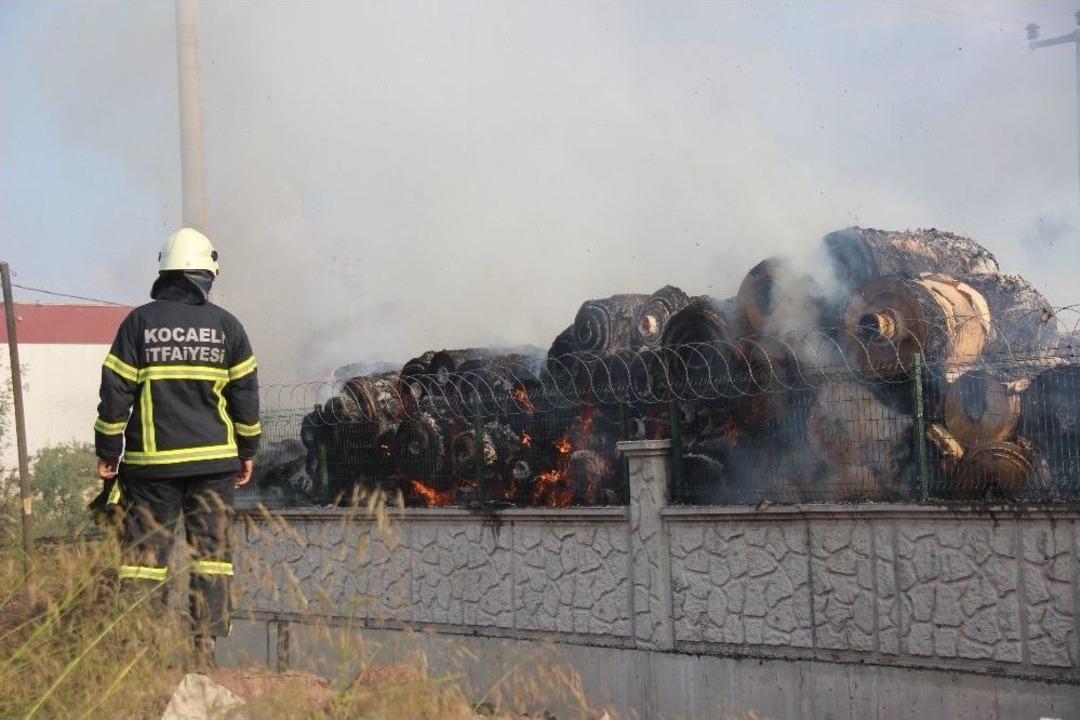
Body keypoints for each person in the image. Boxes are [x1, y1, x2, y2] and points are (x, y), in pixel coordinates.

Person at [93, 227, 261, 666]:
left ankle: (140, 650)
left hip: (152, 467)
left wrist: (108, 452)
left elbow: (115, 393)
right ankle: (203, 649)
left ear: (165, 272)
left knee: (145, 558)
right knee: (211, 556)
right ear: (206, 275)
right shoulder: (228, 327)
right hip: (214, 464)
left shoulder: (139, 323)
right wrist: (248, 450)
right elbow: (245, 397)